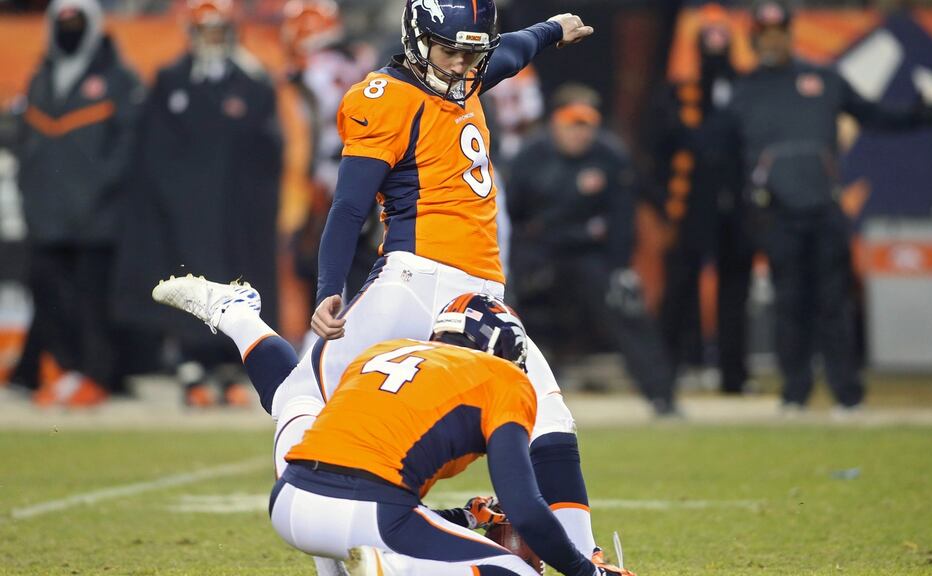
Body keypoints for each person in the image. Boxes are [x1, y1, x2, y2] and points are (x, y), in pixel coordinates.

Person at [152, 0, 606, 568]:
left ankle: (588, 560)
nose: (463, 64)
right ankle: (238, 315)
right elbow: (348, 207)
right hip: (412, 280)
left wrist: (550, 31)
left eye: (472, 53)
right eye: (451, 50)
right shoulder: (385, 96)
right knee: (304, 398)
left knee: (552, 418)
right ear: (417, 40)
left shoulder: (461, 72)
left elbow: (510, 51)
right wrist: (328, 288)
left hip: (481, 292)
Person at [270, 293, 632, 575]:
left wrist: (465, 517)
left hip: (289, 501)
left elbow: (368, 478)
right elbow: (525, 510)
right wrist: (589, 572)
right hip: (368, 513)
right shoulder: (500, 376)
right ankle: (395, 570)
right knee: (514, 572)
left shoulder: (381, 352)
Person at [730, 1, 932, 413]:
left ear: (791, 34)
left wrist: (919, 116)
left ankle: (848, 395)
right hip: (774, 212)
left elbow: (872, 114)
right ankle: (794, 393)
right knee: (789, 303)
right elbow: (720, 151)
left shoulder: (824, 78)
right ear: (754, 39)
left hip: (824, 208)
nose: (771, 39)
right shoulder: (743, 90)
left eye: (778, 32)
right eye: (763, 33)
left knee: (834, 303)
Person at [114, 0, 282, 407]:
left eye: (217, 30)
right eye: (204, 30)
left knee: (237, 280)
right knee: (187, 282)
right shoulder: (170, 80)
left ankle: (231, 367)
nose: (210, 39)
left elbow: (269, 154)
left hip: (235, 215)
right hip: (183, 210)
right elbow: (151, 151)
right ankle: (191, 367)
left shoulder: (252, 83)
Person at [506, 84, 678, 416]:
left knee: (627, 314)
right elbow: (511, 214)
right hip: (541, 251)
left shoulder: (610, 156)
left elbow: (623, 217)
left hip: (591, 253)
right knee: (522, 324)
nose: (581, 132)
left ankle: (662, 397)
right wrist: (517, 265)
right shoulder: (530, 156)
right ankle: (521, 403)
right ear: (555, 121)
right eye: (573, 122)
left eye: (588, 123)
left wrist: (620, 267)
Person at [16, 0, 142, 406]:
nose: (68, 28)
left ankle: (98, 376)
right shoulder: (42, 76)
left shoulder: (118, 77)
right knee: (50, 296)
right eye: (62, 21)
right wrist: (31, 193)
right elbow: (27, 144)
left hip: (98, 216)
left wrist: (97, 191)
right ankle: (63, 370)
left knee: (95, 301)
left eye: (76, 21)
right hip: (49, 216)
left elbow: (127, 147)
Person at [655, 4, 752, 395]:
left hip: (736, 205)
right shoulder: (679, 95)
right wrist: (665, 198)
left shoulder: (745, 91)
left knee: (735, 291)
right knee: (679, 289)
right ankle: (666, 374)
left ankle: (734, 376)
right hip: (691, 205)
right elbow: (660, 150)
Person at [280, 0, 382, 315]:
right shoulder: (361, 60)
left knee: (320, 265)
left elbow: (312, 133)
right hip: (370, 170)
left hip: (329, 176)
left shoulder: (309, 71)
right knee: (364, 263)